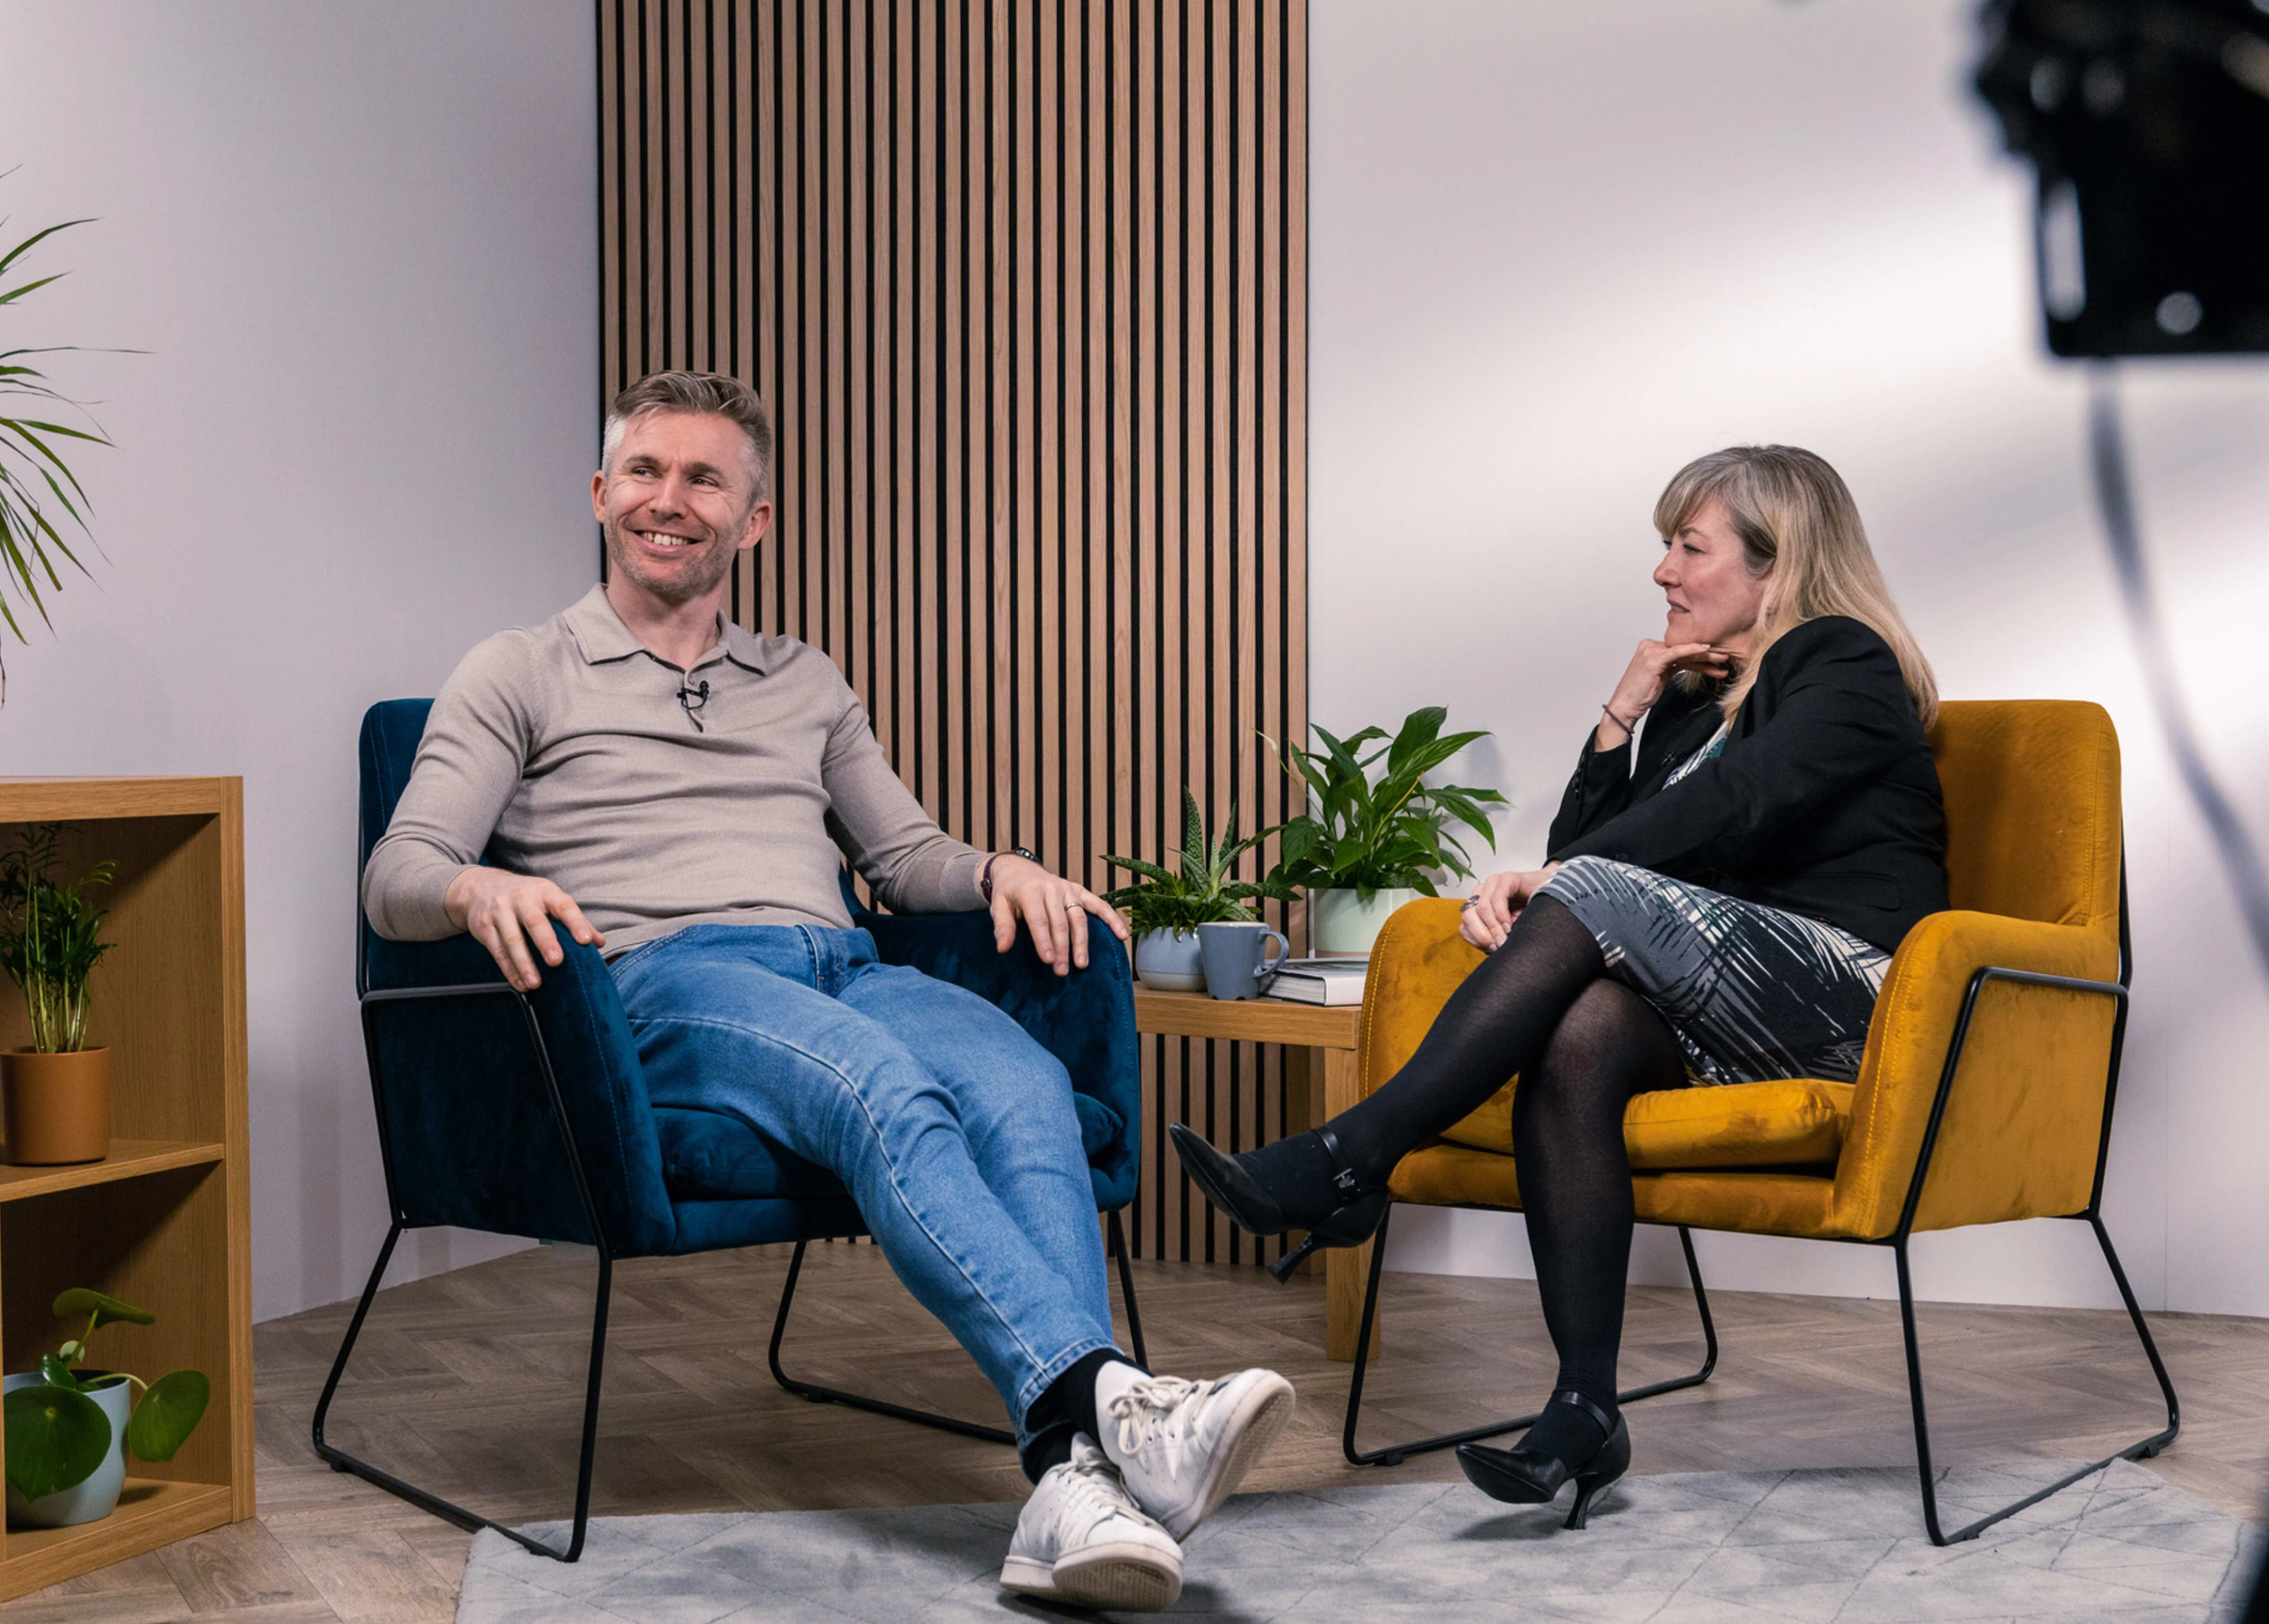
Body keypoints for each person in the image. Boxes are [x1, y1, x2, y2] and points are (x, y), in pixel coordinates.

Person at [364, 370, 1291, 1612]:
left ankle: (1073, 1485)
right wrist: (479, 893)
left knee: (1022, 1080)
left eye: (705, 480)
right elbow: (401, 870)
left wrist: (1006, 868)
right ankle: (1115, 1403)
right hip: (661, 980)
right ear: (600, 494)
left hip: (848, 963)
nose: (668, 501)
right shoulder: (522, 669)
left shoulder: (805, 679)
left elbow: (906, 861)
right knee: (885, 1091)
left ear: (754, 521)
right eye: (645, 472)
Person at [1172, 444, 1943, 1530]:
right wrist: (1623, 714)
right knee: (1577, 1029)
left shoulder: (1843, 662)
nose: (1665, 573)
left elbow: (1733, 812)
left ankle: (1351, 1160)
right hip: (1724, 999)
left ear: (1778, 566)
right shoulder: (1697, 695)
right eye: (1665, 548)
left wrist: (1566, 882)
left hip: (1849, 996)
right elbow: (1586, 857)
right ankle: (1586, 1408)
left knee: (1587, 904)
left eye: (1690, 546)